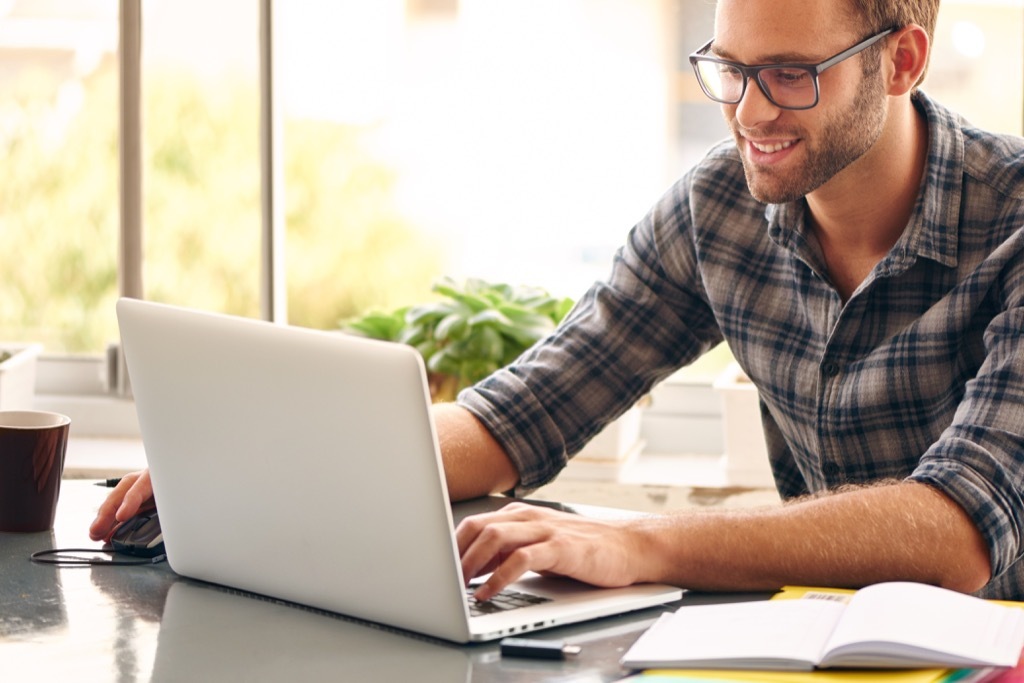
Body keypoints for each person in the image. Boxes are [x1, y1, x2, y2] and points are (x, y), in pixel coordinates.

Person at [92, 0, 1024, 601]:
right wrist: (255, 468)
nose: (746, 112)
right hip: (825, 646)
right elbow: (531, 407)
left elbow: (957, 532)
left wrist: (640, 541)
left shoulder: (1013, 221)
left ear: (902, 60)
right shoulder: (718, 208)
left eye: (790, 75)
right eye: (729, 70)